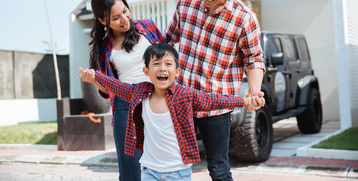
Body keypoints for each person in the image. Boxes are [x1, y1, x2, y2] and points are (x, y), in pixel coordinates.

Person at [78, 43, 265, 181]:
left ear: (177, 71)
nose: (162, 69)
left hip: (177, 172)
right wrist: (96, 77)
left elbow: (214, 100)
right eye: (156, 64)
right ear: (146, 71)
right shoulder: (139, 92)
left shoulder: (185, 95)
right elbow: (116, 86)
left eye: (168, 64)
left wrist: (244, 101)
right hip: (149, 170)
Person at [164, 0, 265, 180]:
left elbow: (254, 59)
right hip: (180, 100)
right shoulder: (186, 3)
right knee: (172, 163)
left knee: (218, 168)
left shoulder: (244, 18)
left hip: (216, 104)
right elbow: (168, 41)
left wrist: (255, 90)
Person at [88, 0, 165, 181]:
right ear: (103, 21)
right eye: (115, 17)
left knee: (164, 167)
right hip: (127, 107)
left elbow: (168, 59)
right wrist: (97, 80)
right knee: (131, 173)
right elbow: (108, 90)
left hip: (159, 102)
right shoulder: (104, 47)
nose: (124, 19)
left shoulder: (148, 26)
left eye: (125, 11)